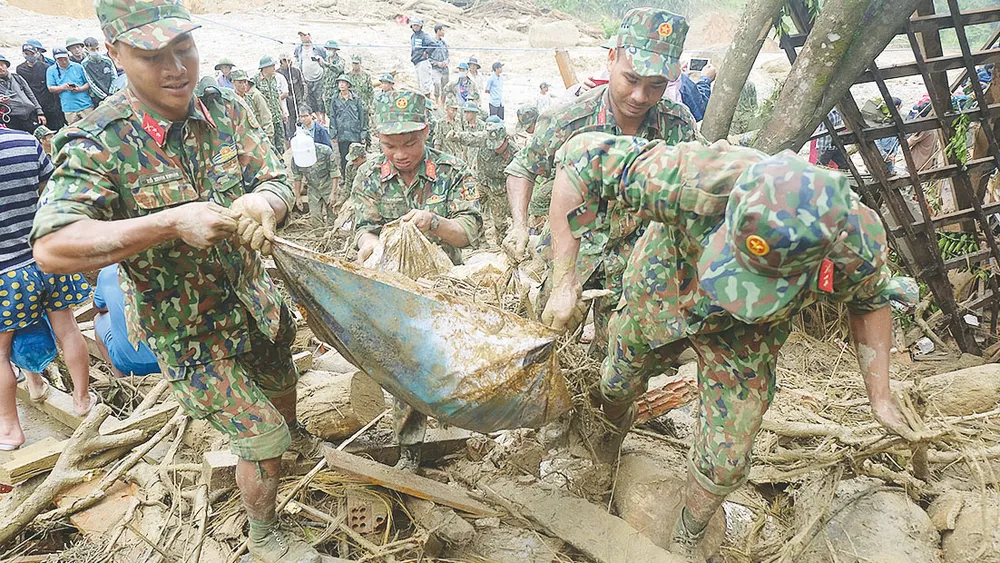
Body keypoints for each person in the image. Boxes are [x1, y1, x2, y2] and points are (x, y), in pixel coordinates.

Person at [29, 1, 322, 560]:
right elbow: (52, 244)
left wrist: (264, 202)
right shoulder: (99, 138)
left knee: (282, 395)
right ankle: (265, 539)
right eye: (152, 55)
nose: (175, 68)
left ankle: (287, 444)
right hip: (186, 330)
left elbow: (276, 177)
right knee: (261, 436)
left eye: (183, 48)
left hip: (256, 305)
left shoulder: (224, 106)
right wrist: (169, 221)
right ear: (115, 54)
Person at [543, 132, 922, 560]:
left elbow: (871, 300)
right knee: (616, 384)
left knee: (728, 452)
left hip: (745, 334)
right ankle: (610, 438)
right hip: (665, 290)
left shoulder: (855, 242)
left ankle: (690, 529)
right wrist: (564, 279)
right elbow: (579, 159)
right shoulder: (693, 176)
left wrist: (881, 397)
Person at [504, 8, 700, 355]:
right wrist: (519, 225)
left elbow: (697, 186)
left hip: (637, 257)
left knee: (621, 362)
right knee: (541, 345)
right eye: (631, 79)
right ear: (612, 58)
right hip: (573, 245)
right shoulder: (570, 118)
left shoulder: (677, 124)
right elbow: (523, 167)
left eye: (656, 85)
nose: (640, 96)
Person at [354, 92, 482, 470]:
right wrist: (371, 244)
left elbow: (470, 231)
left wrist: (434, 223)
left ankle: (459, 423)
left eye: (409, 143)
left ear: (426, 131)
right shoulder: (369, 175)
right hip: (394, 288)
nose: (400, 154)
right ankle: (410, 449)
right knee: (403, 364)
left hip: (445, 287)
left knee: (447, 360)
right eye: (390, 145)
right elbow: (363, 227)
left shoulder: (452, 170)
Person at [1, 128, 95, 450]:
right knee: (68, 330)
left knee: (0, 355)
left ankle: (11, 429)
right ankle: (81, 400)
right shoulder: (26, 142)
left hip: (4, 276)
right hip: (45, 260)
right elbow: (49, 198)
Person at [454, 117, 517, 243]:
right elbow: (470, 137)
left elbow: (519, 177)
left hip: (498, 190)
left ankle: (502, 245)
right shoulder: (485, 138)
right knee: (468, 206)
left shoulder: (515, 153)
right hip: (479, 180)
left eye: (498, 146)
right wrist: (456, 136)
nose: (494, 148)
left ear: (507, 140)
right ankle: (477, 240)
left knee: (500, 223)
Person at [93, 264, 159, 377]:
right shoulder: (171, 267)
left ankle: (119, 380)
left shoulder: (107, 273)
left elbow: (99, 307)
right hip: (175, 359)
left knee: (97, 319)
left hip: (130, 364)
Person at [291, 131, 341, 228]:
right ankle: (320, 235)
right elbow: (297, 178)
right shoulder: (296, 158)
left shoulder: (325, 151)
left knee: (333, 215)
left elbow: (334, 172)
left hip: (328, 186)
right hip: (313, 188)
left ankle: (332, 237)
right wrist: (297, 197)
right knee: (315, 217)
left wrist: (334, 193)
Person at [16, 43, 65, 131]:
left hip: (50, 104)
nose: (30, 56)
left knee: (56, 128)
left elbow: (51, 85)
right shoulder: (20, 69)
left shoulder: (46, 67)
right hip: (34, 105)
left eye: (32, 53)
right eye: (27, 54)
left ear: (37, 53)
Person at [328, 75, 368, 175]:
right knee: (344, 157)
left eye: (343, 82)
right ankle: (346, 178)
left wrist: (363, 134)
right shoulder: (335, 99)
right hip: (342, 134)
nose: (341, 84)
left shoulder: (356, 99)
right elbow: (332, 116)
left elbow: (362, 117)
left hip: (354, 133)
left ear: (348, 84)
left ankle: (359, 176)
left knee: (357, 157)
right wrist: (333, 133)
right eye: (339, 82)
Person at [46, 47, 93, 124]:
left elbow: (89, 83)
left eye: (65, 58)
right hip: (69, 108)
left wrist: (80, 89)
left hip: (85, 105)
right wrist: (63, 87)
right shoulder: (51, 70)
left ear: (68, 56)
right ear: (55, 59)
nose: (63, 61)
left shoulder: (78, 67)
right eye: (60, 59)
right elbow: (50, 88)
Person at [0, 55, 46, 133]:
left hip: (30, 115)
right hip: (12, 119)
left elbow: (31, 95)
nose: (0, 68)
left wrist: (40, 112)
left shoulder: (17, 77)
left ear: (6, 65)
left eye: (1, 64)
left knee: (39, 139)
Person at [255, 56, 287, 153]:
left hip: (277, 116)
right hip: (266, 120)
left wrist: (283, 112)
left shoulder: (274, 78)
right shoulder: (256, 80)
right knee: (269, 145)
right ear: (265, 68)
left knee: (281, 143)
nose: (274, 68)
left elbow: (277, 97)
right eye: (272, 66)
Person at [231, 69, 275, 141]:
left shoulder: (253, 98)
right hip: (240, 139)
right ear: (233, 83)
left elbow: (266, 116)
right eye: (240, 82)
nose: (243, 85)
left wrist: (268, 136)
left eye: (245, 82)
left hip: (257, 138)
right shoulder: (231, 101)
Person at [294, 31, 326, 123]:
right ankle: (318, 117)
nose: (303, 37)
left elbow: (325, 58)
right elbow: (297, 58)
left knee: (320, 98)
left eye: (304, 35)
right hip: (306, 78)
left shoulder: (318, 48)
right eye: (301, 36)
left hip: (318, 76)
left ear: (309, 35)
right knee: (310, 99)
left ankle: (323, 119)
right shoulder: (299, 49)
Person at [81, 37, 118, 106]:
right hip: (98, 96)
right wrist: (104, 97)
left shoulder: (107, 60)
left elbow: (114, 77)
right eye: (92, 49)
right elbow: (91, 82)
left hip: (113, 93)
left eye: (97, 48)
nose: (95, 51)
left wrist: (111, 93)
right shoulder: (85, 64)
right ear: (86, 49)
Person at [278, 54, 306, 138]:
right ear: (281, 62)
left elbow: (302, 85)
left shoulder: (296, 71)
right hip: (286, 102)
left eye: (289, 61)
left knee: (301, 118)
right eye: (285, 61)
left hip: (297, 99)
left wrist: (302, 99)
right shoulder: (278, 74)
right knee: (289, 123)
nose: (288, 63)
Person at [409, 16, 435, 97]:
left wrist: (426, 52)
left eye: (417, 25)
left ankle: (427, 104)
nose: (416, 27)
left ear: (421, 26)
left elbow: (433, 44)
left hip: (422, 62)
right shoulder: (413, 36)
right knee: (420, 84)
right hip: (416, 62)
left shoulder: (424, 36)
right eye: (414, 25)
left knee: (425, 85)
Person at [320, 40, 345, 112]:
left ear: (335, 50)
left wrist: (327, 64)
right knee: (329, 112)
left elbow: (338, 69)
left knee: (338, 112)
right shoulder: (326, 60)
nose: (328, 51)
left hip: (336, 91)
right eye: (327, 49)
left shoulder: (340, 60)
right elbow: (324, 77)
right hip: (327, 92)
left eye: (330, 49)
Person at [429, 24, 450, 106]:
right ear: (438, 31)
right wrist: (437, 63)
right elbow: (428, 58)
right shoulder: (431, 43)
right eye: (442, 30)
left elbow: (447, 55)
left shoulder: (444, 43)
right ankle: (436, 101)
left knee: (445, 87)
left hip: (445, 69)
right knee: (436, 84)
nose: (444, 32)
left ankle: (442, 104)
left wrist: (446, 62)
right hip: (435, 68)